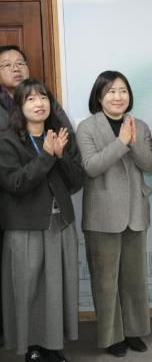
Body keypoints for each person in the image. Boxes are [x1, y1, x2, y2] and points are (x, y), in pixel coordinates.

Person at [0, 79, 83, 361]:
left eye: (44, 98)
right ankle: (32, 347)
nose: (40, 104)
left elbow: (76, 182)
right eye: (31, 99)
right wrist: (47, 156)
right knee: (28, 289)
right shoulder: (7, 140)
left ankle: (53, 345)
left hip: (60, 224)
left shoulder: (58, 135)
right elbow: (16, 183)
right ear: (19, 106)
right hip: (25, 226)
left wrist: (60, 156)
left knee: (57, 289)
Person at [76, 71, 152, 357]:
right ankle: (112, 337)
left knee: (135, 279)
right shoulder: (87, 127)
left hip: (135, 211)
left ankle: (134, 331)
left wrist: (133, 142)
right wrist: (121, 142)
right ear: (99, 97)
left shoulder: (140, 125)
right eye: (111, 91)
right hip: (102, 213)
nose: (118, 97)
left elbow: (149, 165)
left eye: (123, 91)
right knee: (106, 281)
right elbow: (91, 166)